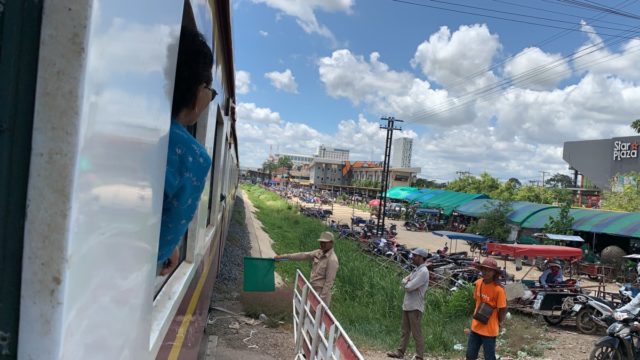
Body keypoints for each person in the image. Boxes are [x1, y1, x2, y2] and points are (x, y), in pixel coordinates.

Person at [157, 26, 216, 276]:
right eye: (210, 92)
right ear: (197, 90)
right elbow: (165, 237)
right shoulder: (194, 157)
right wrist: (168, 249)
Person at [387, 248, 430, 360]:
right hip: (408, 304)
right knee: (405, 331)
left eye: (415, 256)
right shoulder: (416, 270)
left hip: (415, 306)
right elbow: (404, 281)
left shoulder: (424, 272)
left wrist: (408, 283)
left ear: (421, 258)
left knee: (416, 332)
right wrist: (407, 282)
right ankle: (400, 352)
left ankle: (419, 356)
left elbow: (409, 287)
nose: (413, 257)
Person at [274, 232, 339, 306]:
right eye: (321, 242)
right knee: (305, 313)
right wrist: (283, 257)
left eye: (325, 242)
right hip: (312, 289)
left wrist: (320, 300)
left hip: (320, 294)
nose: (322, 244)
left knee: (315, 316)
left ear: (331, 243)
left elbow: (329, 282)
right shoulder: (318, 253)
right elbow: (303, 255)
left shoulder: (332, 260)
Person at [466, 258, 507, 360]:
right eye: (484, 269)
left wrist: (499, 322)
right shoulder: (478, 283)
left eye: (489, 270)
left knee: (489, 357)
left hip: (490, 330)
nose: (486, 272)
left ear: (494, 272)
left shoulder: (499, 289)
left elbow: (502, 309)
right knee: (470, 355)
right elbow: (476, 300)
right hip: (476, 326)